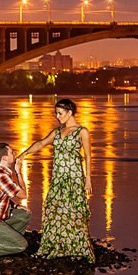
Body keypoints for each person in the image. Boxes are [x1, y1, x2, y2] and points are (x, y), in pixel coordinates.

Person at [17, 98, 95, 262]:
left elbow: (88, 155)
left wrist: (88, 179)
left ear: (69, 112)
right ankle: (57, 244)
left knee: (73, 211)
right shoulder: (57, 132)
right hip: (58, 178)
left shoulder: (82, 131)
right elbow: (41, 143)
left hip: (74, 177)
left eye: (60, 113)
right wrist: (24, 154)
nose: (57, 117)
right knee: (54, 208)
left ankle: (77, 247)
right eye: (56, 113)